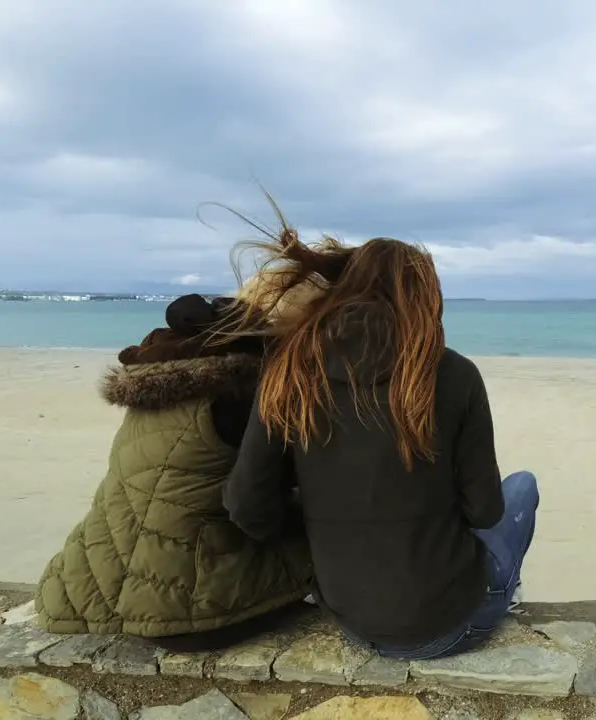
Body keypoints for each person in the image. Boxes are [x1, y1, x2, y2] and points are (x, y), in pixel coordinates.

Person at [223, 229, 539, 661]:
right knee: (522, 486)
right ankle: (504, 595)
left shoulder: (290, 371)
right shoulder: (454, 374)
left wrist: (326, 524)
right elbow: (484, 511)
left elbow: (247, 507)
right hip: (447, 625)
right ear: (425, 298)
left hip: (350, 620)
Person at [34, 291, 316, 652]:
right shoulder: (240, 400)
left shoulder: (155, 391)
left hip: (93, 579)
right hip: (189, 610)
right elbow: (255, 507)